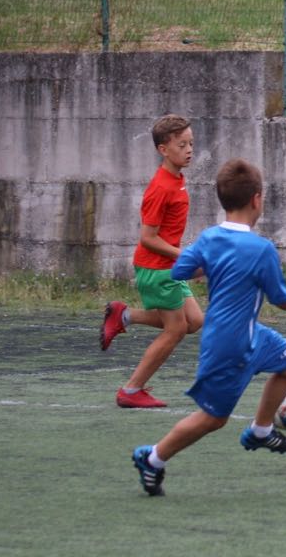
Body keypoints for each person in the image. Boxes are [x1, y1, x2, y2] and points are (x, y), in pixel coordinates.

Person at [132, 158, 286, 496]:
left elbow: (180, 270)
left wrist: (211, 265)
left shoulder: (209, 238)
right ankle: (154, 458)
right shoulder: (261, 249)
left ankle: (261, 430)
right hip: (229, 345)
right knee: (214, 418)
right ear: (256, 199)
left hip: (251, 334)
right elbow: (281, 299)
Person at [100, 114, 204, 408]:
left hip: (169, 267)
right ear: (163, 149)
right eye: (182, 145)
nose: (189, 150)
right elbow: (148, 237)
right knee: (176, 329)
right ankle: (131, 390)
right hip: (156, 269)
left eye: (191, 143)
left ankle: (124, 316)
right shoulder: (161, 187)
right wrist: (186, 257)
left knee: (195, 321)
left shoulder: (177, 179)